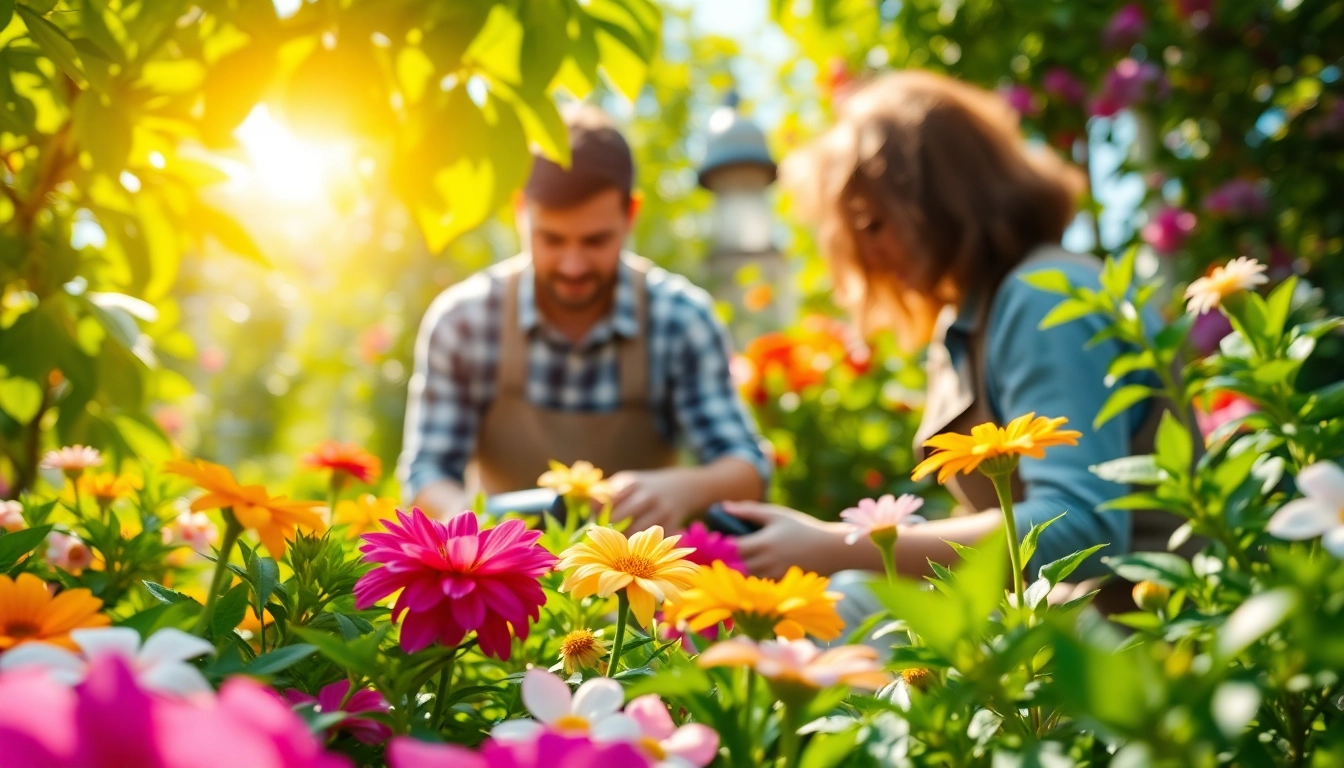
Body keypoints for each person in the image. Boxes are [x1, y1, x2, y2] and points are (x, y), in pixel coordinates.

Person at [722, 71, 1182, 614]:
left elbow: (1080, 530)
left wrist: (840, 546)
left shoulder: (1042, 299)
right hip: (1069, 627)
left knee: (852, 607)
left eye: (873, 225)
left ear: (944, 199)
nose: (868, 258)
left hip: (1148, 635)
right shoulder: (977, 318)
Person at [398, 104, 768, 529]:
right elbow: (427, 474)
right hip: (503, 579)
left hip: (639, 583)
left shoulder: (680, 320)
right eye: (551, 239)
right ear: (521, 211)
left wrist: (682, 489)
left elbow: (748, 469)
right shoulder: (464, 322)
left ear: (630, 215)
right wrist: (472, 526)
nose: (573, 266)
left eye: (595, 241)